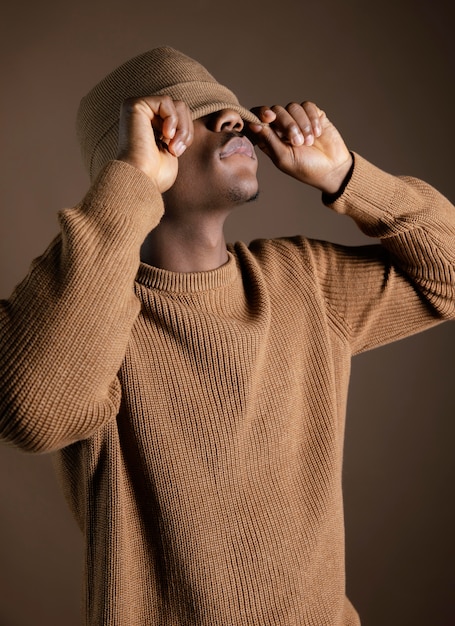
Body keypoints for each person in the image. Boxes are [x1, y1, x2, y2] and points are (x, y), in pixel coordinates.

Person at [0, 46, 454, 626]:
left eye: (231, 109)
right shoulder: (91, 317)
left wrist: (347, 176)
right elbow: (30, 410)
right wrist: (131, 185)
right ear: (131, 159)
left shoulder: (304, 281)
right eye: (192, 115)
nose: (232, 119)